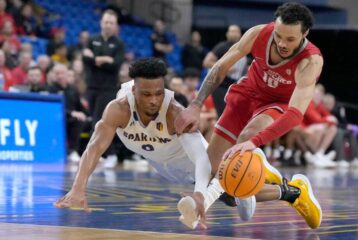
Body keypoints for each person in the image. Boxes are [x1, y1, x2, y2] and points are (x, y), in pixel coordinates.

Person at [53, 58, 259, 229]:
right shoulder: (118, 109)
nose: (154, 100)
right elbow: (94, 148)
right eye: (146, 94)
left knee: (229, 189)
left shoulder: (175, 113)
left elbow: (201, 158)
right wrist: (78, 187)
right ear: (134, 90)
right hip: (161, 164)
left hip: (191, 160)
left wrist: (200, 195)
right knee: (222, 191)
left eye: (158, 93)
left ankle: (255, 189)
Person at [175, 2, 323, 229]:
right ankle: (292, 192)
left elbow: (295, 114)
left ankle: (205, 204)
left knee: (246, 139)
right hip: (247, 92)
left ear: (305, 34)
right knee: (218, 171)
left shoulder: (310, 61)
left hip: (278, 103)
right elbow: (220, 67)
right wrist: (196, 103)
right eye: (279, 36)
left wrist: (254, 142)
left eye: (290, 39)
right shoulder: (259, 34)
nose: (282, 43)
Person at [82, 9, 125, 168]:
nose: (108, 25)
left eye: (111, 23)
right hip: (91, 86)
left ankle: (110, 154)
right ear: (101, 23)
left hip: (108, 88)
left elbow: (116, 65)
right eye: (106, 22)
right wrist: (102, 59)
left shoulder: (119, 44)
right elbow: (85, 59)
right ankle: (101, 154)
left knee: (99, 122)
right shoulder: (92, 39)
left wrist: (95, 59)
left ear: (115, 26)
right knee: (95, 121)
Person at [203, 24, 247, 117]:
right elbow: (206, 62)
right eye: (232, 31)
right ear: (227, 34)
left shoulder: (244, 48)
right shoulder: (222, 47)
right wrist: (223, 67)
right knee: (223, 115)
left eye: (236, 32)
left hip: (235, 87)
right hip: (221, 86)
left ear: (240, 34)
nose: (234, 34)